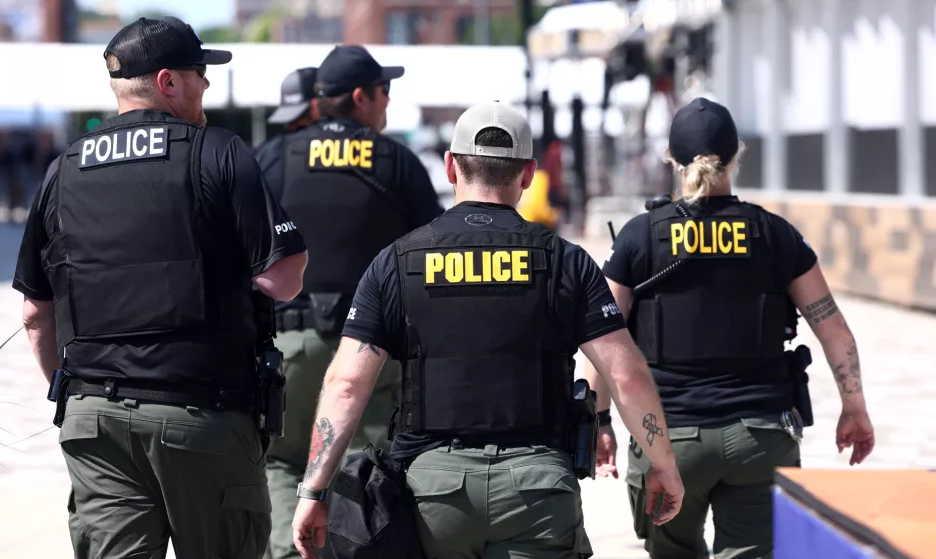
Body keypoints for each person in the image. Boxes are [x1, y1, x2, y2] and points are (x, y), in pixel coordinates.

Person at [289, 101, 685, 559]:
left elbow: (346, 384)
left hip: (432, 495)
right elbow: (626, 375)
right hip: (538, 490)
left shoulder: (397, 262)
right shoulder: (565, 260)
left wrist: (313, 491)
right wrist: (663, 463)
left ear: (451, 167)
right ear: (529, 173)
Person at [12, 16, 309, 559]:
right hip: (202, 414)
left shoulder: (64, 170)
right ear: (169, 81)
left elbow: (36, 313)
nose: (208, 85)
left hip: (92, 421)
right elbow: (281, 278)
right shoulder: (218, 152)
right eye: (200, 73)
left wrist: (75, 386)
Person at [586, 97, 876, 559]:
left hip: (668, 439)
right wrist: (854, 407)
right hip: (759, 438)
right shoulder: (774, 234)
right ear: (735, 156)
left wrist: (598, 421)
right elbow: (834, 331)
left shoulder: (640, 237)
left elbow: (604, 340)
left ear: (672, 160)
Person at [253, 45, 445, 559]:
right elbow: (432, 258)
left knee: (286, 462)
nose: (387, 103)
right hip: (373, 353)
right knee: (369, 467)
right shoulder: (397, 161)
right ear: (361, 97)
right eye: (385, 92)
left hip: (289, 341)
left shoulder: (274, 157)